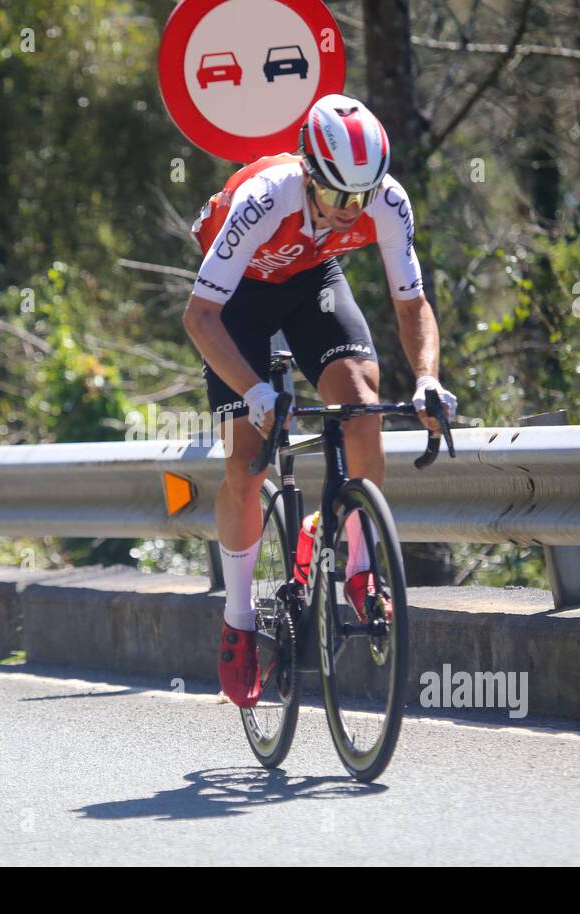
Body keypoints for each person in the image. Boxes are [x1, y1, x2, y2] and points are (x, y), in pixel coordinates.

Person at [182, 93, 458, 708]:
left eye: (358, 199)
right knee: (244, 463)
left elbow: (412, 305)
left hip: (312, 282)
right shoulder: (264, 199)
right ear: (308, 172)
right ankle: (238, 620)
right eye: (335, 196)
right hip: (238, 303)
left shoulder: (384, 200)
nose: (347, 211)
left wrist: (427, 378)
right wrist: (254, 392)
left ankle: (358, 563)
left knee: (361, 404)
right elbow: (199, 316)